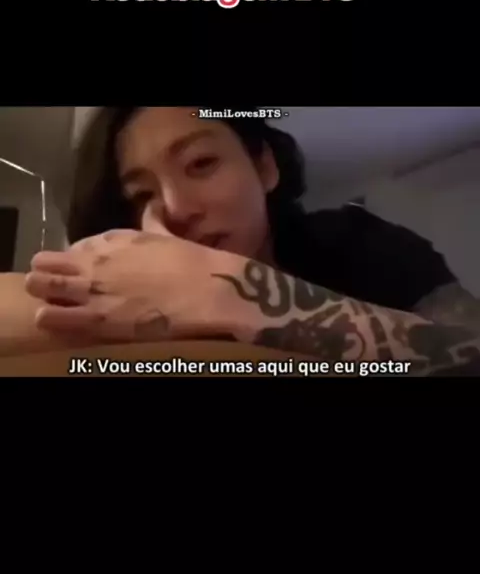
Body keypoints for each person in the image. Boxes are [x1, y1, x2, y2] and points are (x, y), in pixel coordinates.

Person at [22, 106, 480, 375]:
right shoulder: (119, 290)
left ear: (264, 167)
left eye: (201, 164)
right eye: (141, 195)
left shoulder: (358, 242)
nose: (176, 207)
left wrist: (227, 291)